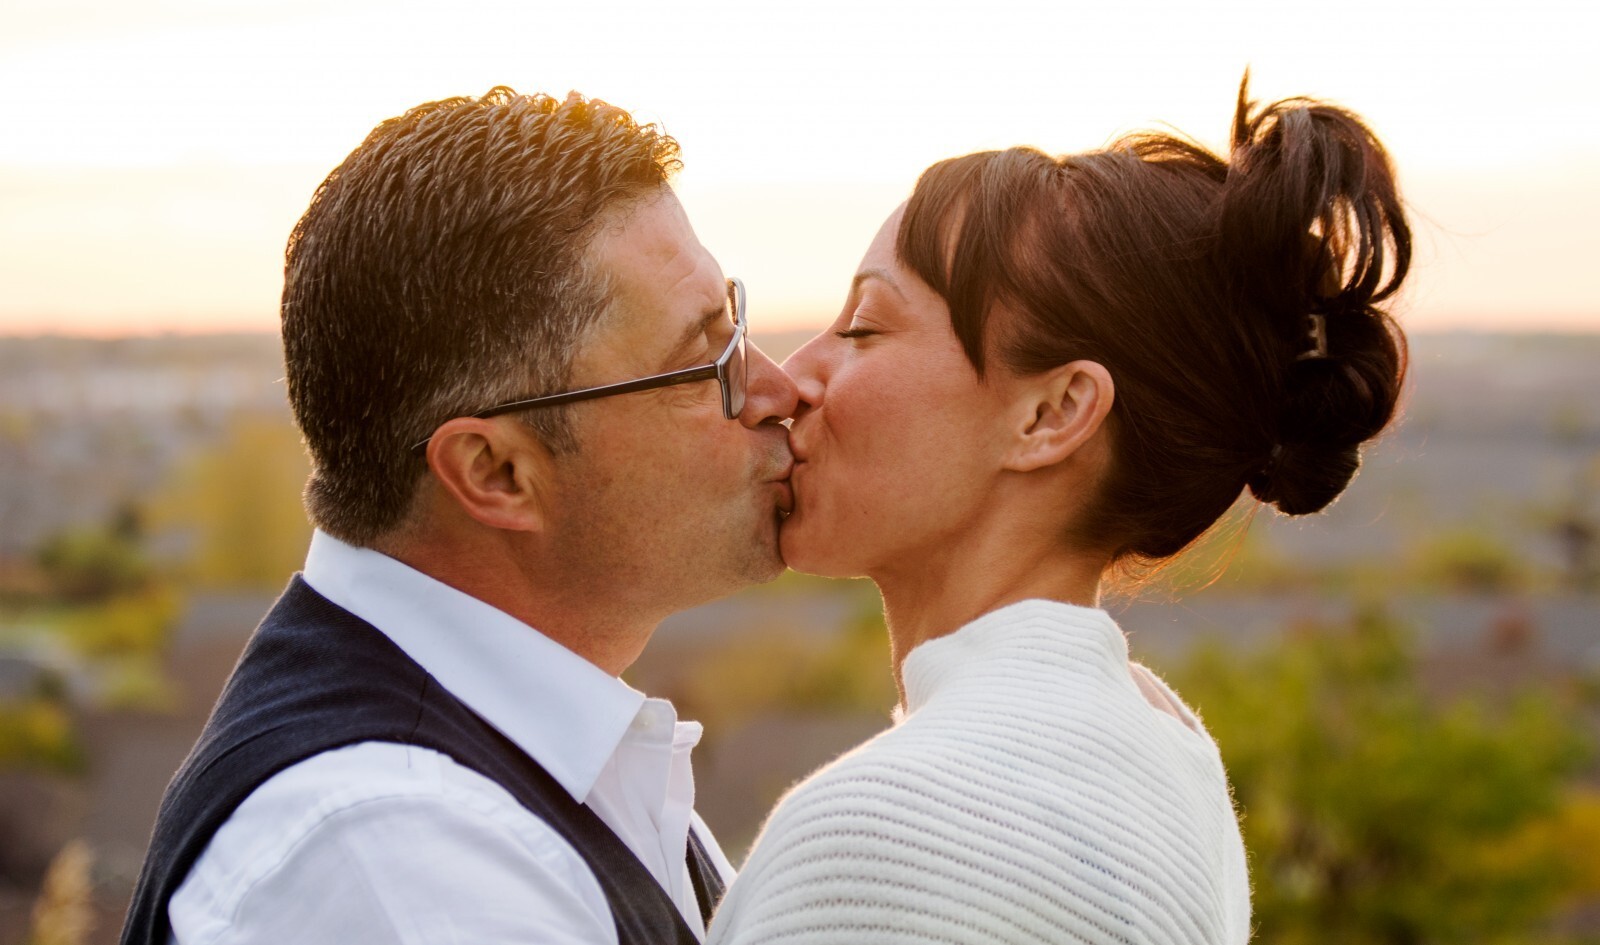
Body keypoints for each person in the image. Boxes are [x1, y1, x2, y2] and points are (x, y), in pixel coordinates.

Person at [708, 80, 1410, 945]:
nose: (793, 377)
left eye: (865, 327)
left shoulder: (882, 841)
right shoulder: (1167, 756)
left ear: (1052, 414)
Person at [120, 87, 799, 945]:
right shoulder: (395, 852)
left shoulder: (555, 763)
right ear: (498, 472)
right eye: (706, 361)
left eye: (734, 322)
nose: (779, 388)